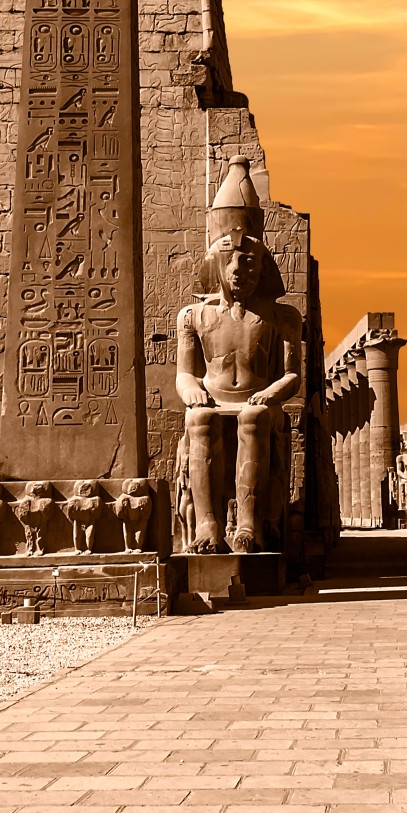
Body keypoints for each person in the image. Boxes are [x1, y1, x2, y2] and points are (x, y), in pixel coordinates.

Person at [174, 158, 303, 554]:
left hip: (257, 399)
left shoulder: (282, 315)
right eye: (229, 260)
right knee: (199, 419)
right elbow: (185, 374)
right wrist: (192, 391)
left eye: (248, 261)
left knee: (254, 416)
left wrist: (271, 393)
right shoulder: (193, 315)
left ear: (263, 266)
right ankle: (208, 527)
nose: (238, 269)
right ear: (213, 262)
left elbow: (291, 375)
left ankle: (248, 526)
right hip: (213, 397)